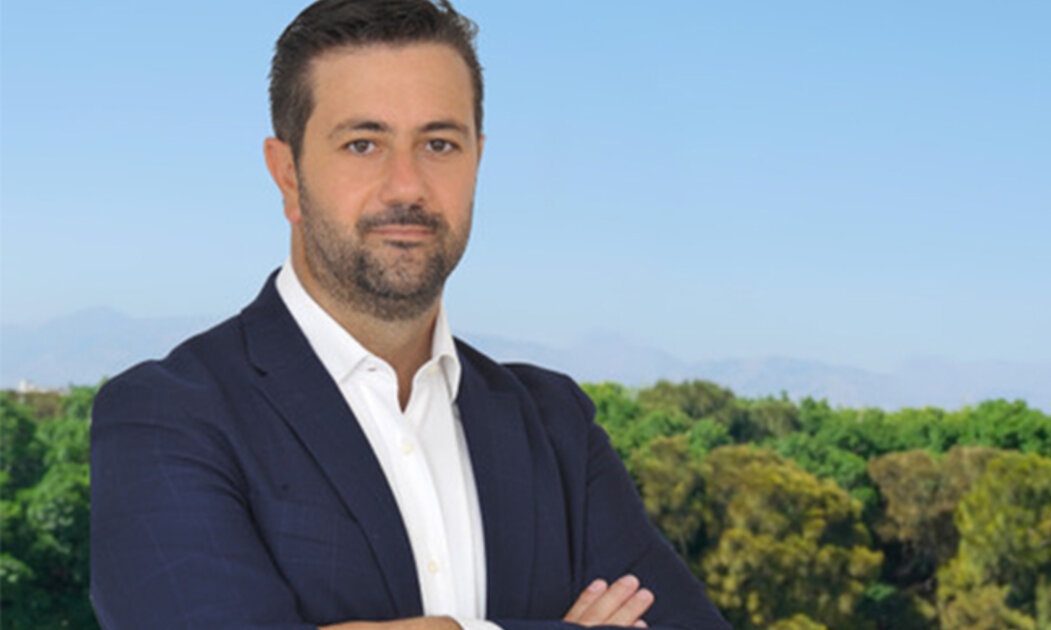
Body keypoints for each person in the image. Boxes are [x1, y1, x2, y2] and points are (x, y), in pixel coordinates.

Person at [88, 1, 731, 629]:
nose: (407, 186)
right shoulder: (163, 417)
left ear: (477, 159)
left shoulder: (557, 428)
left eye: (439, 144)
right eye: (363, 144)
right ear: (287, 175)